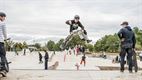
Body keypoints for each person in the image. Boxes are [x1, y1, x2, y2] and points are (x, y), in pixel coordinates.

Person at [0, 12, 8, 77]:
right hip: (0, 42)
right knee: (2, 55)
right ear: (1, 16)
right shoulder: (2, 23)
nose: (4, 18)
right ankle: (3, 70)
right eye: (4, 17)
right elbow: (4, 32)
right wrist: (5, 38)